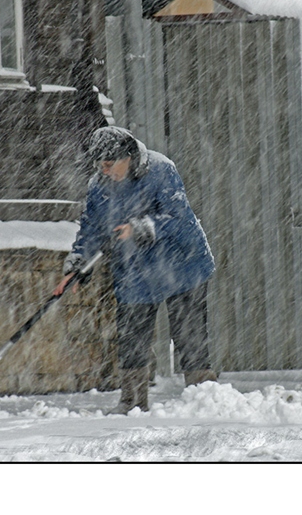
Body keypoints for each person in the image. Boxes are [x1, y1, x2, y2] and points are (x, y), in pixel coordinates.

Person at [55, 126, 217, 413]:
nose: (104, 172)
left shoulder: (160, 169)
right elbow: (90, 229)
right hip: (135, 270)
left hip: (181, 263)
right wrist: (78, 264)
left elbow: (178, 218)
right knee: (132, 336)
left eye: (108, 164)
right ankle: (132, 402)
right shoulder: (98, 187)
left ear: (126, 156)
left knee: (189, 338)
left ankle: (206, 400)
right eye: (99, 166)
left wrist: (141, 227)